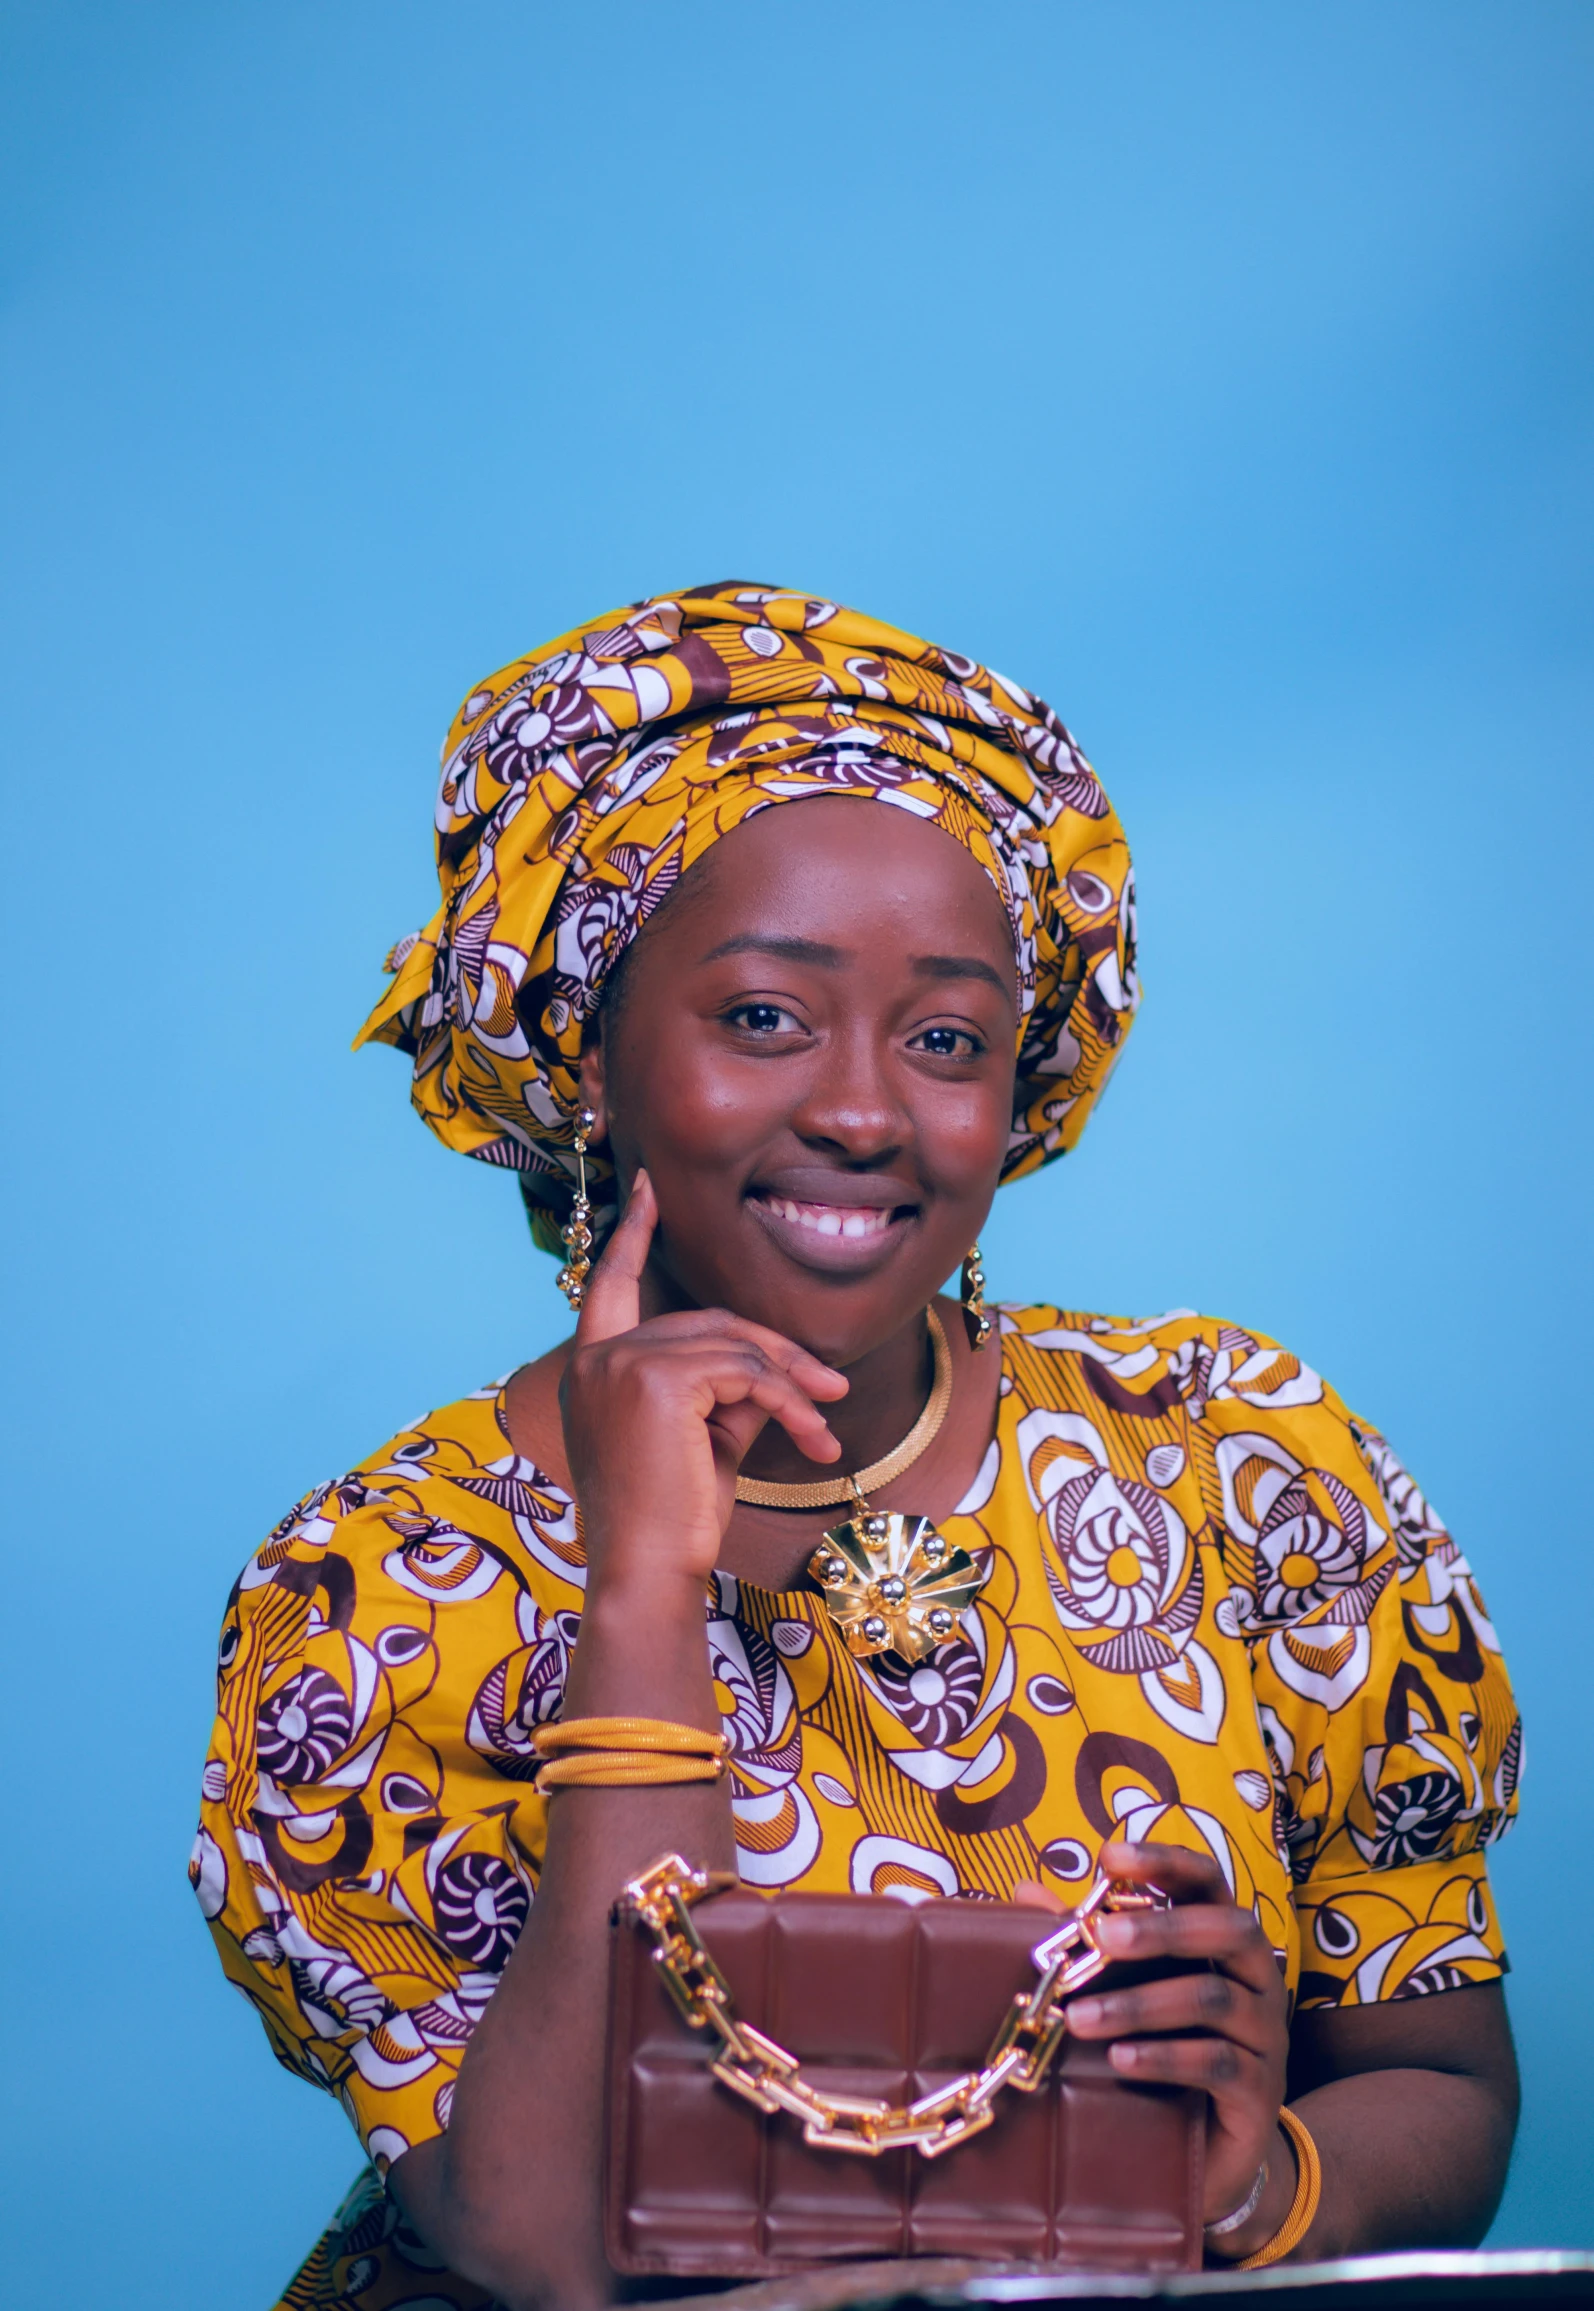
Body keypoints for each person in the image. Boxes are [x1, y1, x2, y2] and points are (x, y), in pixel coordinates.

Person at [193, 583, 1522, 2311]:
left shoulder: (1239, 1461)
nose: (866, 1108)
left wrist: (1261, 2183)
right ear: (587, 1048)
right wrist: (645, 1590)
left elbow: (1441, 2078)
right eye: (762, 1014)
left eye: (949, 1038)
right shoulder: (370, 1586)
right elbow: (549, 2252)